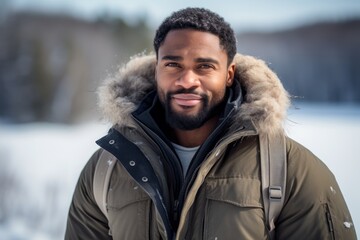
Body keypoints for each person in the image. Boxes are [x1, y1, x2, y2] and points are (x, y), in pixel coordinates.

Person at [65, 7, 357, 240]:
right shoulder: (106, 169)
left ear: (229, 74)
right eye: (173, 64)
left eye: (204, 66)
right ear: (156, 71)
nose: (187, 80)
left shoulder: (290, 169)